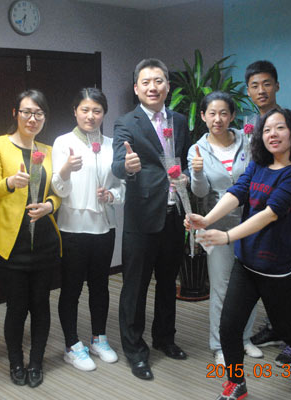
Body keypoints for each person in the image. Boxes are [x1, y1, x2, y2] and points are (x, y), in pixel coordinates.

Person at [186, 108, 291, 399]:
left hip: (276, 270)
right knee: (229, 327)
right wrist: (207, 219)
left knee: (287, 329)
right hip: (247, 264)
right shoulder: (258, 165)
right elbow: (237, 192)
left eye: (280, 128)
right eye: (266, 130)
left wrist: (226, 236)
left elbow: (270, 213)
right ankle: (236, 383)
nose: (272, 134)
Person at [0, 89, 61, 389]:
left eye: (38, 113)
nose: (32, 118)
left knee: (41, 305)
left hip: (44, 242)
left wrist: (50, 205)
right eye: (26, 112)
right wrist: (10, 182)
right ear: (15, 114)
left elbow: (58, 193)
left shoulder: (49, 150)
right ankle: (16, 361)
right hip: (11, 244)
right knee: (16, 307)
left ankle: (36, 362)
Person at [112, 58, 191, 380]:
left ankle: (164, 338)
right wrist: (127, 167)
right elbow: (118, 163)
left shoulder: (180, 121)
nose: (152, 87)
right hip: (142, 217)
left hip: (174, 215)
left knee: (168, 284)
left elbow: (185, 160)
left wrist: (187, 176)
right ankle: (135, 351)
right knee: (135, 287)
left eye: (158, 81)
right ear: (136, 88)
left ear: (168, 86)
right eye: (146, 82)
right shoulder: (126, 122)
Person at [245, 60, 291, 367]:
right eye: (254, 85)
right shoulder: (251, 123)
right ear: (248, 91)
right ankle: (277, 327)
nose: (261, 90)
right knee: (269, 275)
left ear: (277, 86)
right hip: (263, 215)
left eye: (266, 84)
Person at [51, 88, 125, 371]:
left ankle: (99, 338)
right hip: (72, 228)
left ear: (104, 113)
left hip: (104, 227)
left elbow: (122, 187)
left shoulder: (112, 145)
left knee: (100, 286)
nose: (90, 116)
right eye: (85, 110)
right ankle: (72, 345)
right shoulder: (63, 142)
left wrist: (111, 195)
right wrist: (66, 169)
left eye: (97, 111)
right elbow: (58, 189)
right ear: (75, 111)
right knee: (71, 288)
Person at [188, 92, 262, 366]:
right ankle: (220, 344)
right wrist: (197, 172)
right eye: (211, 113)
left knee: (250, 286)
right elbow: (200, 192)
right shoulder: (197, 149)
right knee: (221, 287)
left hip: (250, 223)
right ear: (203, 116)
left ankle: (244, 339)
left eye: (223, 113)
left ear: (232, 116)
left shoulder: (249, 141)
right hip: (217, 226)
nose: (217, 119)